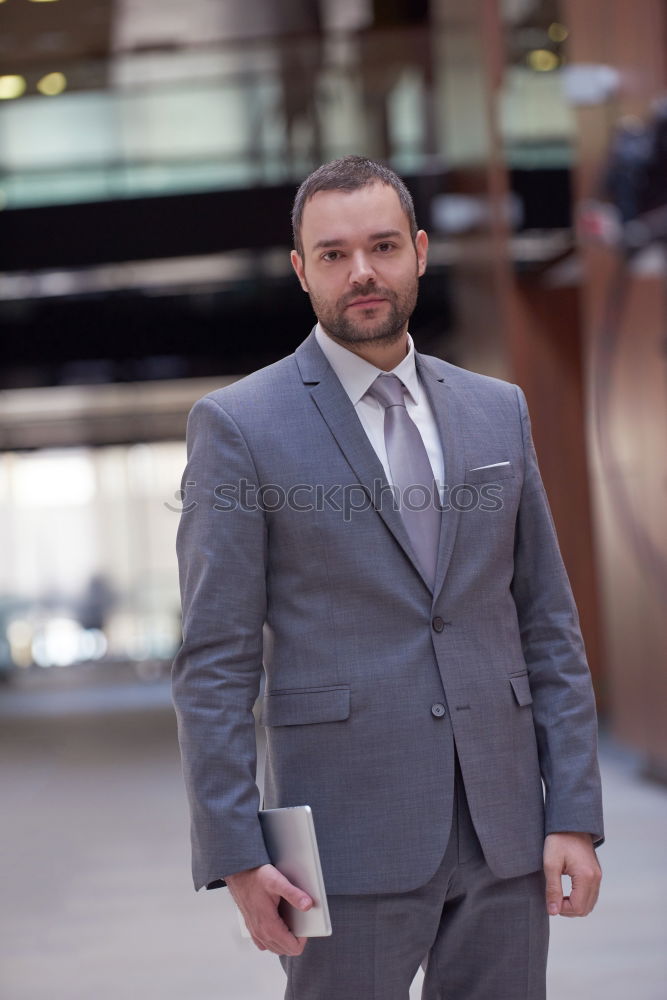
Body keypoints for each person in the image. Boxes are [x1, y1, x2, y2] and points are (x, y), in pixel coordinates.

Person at [172, 155, 603, 1000]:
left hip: (503, 826)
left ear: (420, 250)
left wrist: (573, 814)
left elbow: (546, 620)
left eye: (381, 246)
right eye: (332, 254)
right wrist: (236, 853)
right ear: (301, 271)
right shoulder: (238, 425)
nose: (360, 272)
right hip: (341, 835)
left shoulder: (497, 410)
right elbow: (215, 660)